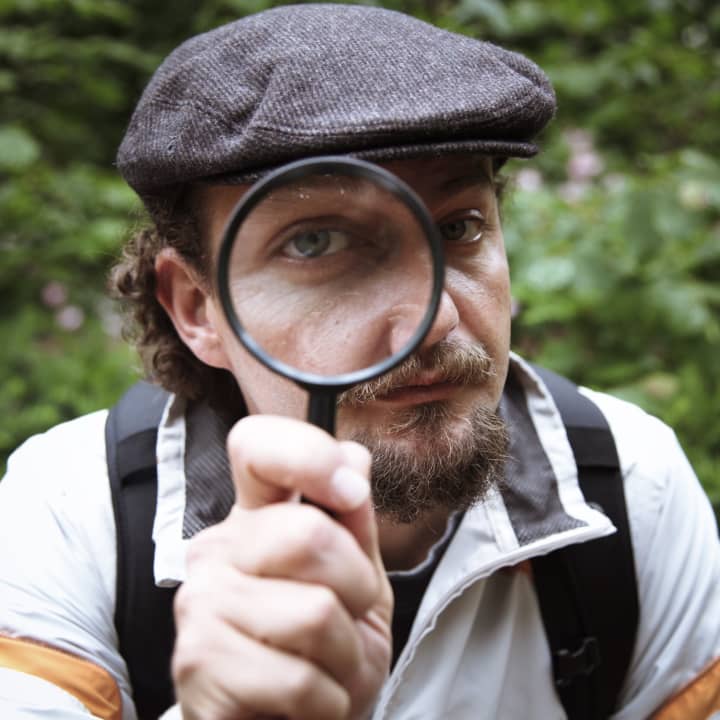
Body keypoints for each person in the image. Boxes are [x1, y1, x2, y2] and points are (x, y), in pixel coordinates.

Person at [1, 4, 718, 719]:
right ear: (196, 307)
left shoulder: (632, 486)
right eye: (316, 243)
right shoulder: (74, 516)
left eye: (459, 226)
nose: (432, 320)